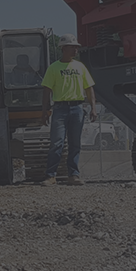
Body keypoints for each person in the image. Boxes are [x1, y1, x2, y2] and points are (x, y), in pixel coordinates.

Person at [40, 34, 96, 186]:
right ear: (63, 48)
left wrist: (93, 108)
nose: (76, 49)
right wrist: (44, 111)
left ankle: (74, 175)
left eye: (76, 47)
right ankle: (51, 176)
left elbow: (89, 88)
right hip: (60, 108)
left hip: (77, 107)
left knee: (75, 143)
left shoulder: (80, 67)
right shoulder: (53, 68)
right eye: (72, 46)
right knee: (57, 142)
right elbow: (47, 90)